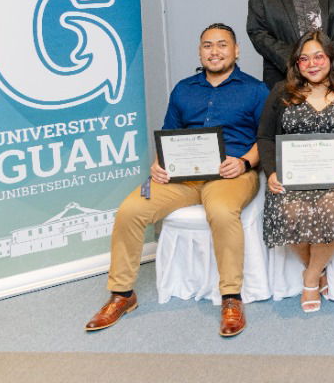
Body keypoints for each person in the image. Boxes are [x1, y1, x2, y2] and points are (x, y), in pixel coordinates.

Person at [85, 24, 268, 337]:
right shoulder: (183, 89)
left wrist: (243, 162)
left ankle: (231, 297)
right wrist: (158, 164)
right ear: (200, 52)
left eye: (222, 45)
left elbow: (266, 139)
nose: (214, 51)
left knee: (221, 211)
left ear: (236, 50)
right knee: (130, 209)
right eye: (207, 45)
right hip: (182, 175)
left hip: (231, 173)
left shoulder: (256, 90)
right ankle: (122, 294)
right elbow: (169, 134)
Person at [258, 31, 334, 313]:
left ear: (330, 58)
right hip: (294, 177)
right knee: (289, 211)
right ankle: (317, 269)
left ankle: (311, 276)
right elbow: (265, 137)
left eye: (318, 57)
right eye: (304, 59)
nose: (312, 64)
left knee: (333, 207)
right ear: (296, 64)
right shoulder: (281, 91)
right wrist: (272, 172)